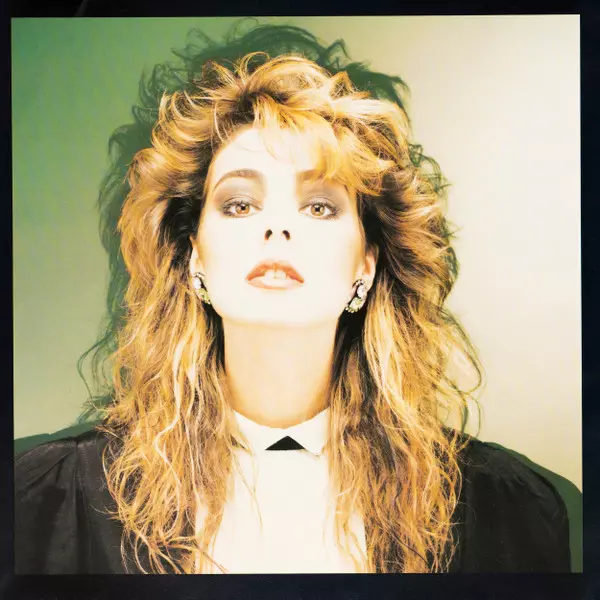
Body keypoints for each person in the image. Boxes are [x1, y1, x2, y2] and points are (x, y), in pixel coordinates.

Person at [14, 23, 571, 574]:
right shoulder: (41, 499)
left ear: (366, 264)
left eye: (320, 206)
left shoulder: (514, 511)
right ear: (194, 255)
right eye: (239, 204)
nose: (277, 226)